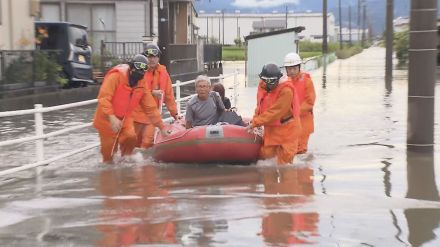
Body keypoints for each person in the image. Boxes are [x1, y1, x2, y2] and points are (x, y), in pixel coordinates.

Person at [93, 54, 168, 163]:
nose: (140, 72)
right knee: (108, 153)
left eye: (144, 69)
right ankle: (109, 169)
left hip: (125, 118)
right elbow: (104, 98)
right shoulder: (116, 77)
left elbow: (150, 107)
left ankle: (125, 159)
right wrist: (112, 117)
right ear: (131, 67)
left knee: (131, 137)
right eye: (138, 68)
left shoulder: (142, 84)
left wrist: (161, 127)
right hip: (106, 118)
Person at [247, 63, 302, 165]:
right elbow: (260, 106)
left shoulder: (286, 90)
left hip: (288, 130)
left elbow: (276, 112)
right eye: (267, 81)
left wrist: (256, 122)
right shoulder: (263, 86)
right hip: (272, 129)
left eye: (272, 81)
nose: (270, 84)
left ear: (278, 78)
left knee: (285, 163)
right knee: (265, 157)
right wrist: (254, 121)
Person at [132, 43, 178, 149]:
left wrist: (175, 114)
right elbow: (135, 89)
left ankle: (145, 165)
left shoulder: (163, 73)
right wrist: (152, 92)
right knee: (132, 143)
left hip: (152, 117)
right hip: (136, 115)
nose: (151, 59)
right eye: (149, 56)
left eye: (154, 56)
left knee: (147, 143)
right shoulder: (139, 70)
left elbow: (169, 97)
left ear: (158, 57)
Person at [282, 52, 316, 154]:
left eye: (294, 68)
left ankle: (302, 169)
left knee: (300, 151)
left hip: (304, 122)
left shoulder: (307, 81)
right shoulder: (283, 82)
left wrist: (293, 113)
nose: (291, 71)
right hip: (288, 122)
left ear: (299, 67)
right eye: (289, 68)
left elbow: (310, 102)